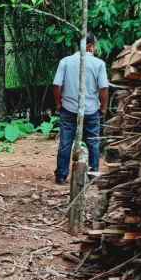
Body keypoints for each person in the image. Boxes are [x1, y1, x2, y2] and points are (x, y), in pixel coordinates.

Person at [53, 32, 108, 185]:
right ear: (90, 46)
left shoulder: (65, 62)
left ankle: (61, 175)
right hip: (91, 110)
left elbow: (56, 85)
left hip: (68, 108)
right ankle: (93, 174)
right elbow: (104, 88)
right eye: (95, 45)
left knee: (65, 142)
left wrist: (58, 104)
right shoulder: (99, 64)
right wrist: (103, 108)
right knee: (93, 143)